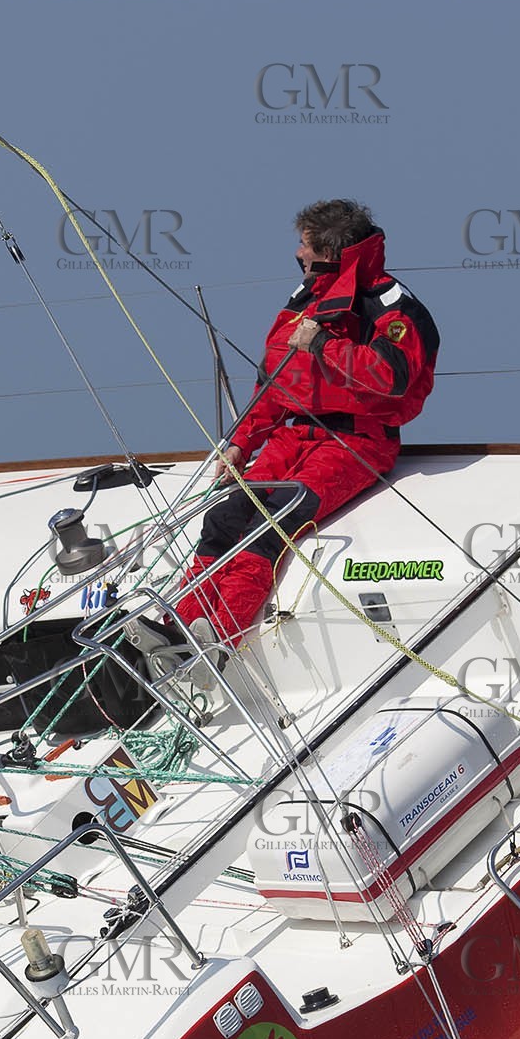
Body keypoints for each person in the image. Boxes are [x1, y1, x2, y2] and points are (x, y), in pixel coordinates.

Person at [129, 199, 439, 683]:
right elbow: (275, 380)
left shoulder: (390, 305)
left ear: (329, 252)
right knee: (226, 515)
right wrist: (241, 441)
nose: (297, 254)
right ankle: (177, 627)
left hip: (357, 441)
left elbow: (391, 377)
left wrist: (324, 344)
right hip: (294, 433)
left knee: (275, 520)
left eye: (304, 245)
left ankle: (217, 633)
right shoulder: (306, 300)